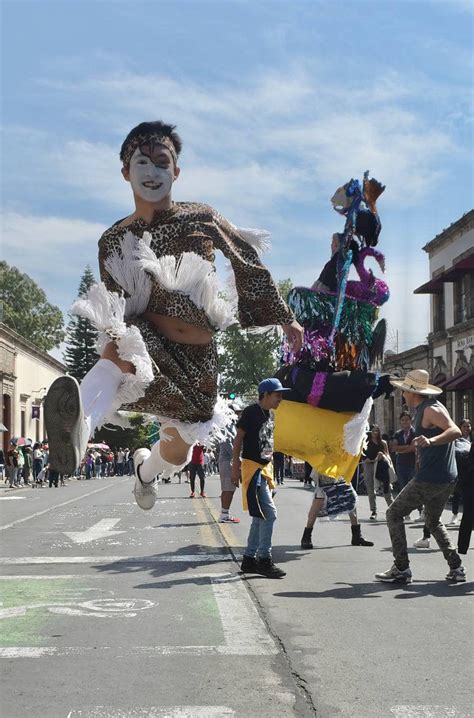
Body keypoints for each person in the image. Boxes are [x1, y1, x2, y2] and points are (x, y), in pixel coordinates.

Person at [44, 120, 302, 511]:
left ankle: (145, 472)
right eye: (141, 162)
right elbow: (115, 306)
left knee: (179, 454)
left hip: (198, 362)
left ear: (176, 172)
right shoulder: (114, 239)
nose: (152, 172)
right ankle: (80, 423)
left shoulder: (200, 216)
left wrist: (285, 317)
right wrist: (119, 336)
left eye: (162, 162)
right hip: (148, 342)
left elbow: (244, 258)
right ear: (125, 172)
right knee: (121, 344)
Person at [375, 369, 466, 583]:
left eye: (404, 391)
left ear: (413, 392)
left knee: (393, 514)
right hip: (444, 477)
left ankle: (401, 568)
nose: (402, 394)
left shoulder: (431, 409)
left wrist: (431, 442)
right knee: (433, 521)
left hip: (432, 478)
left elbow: (455, 431)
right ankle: (456, 567)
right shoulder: (423, 409)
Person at [232, 377, 291, 578]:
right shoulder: (250, 412)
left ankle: (249, 560)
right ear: (265, 395)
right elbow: (238, 439)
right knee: (270, 514)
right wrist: (234, 468)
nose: (280, 399)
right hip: (253, 470)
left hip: (265, 470)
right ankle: (264, 560)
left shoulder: (271, 414)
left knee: (260, 516)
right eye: (277, 395)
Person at [413, 417, 472, 549]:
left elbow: (423, 462)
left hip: (447, 477)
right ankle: (457, 546)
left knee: (432, 506)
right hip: (465, 479)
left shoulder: (439, 441)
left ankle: (426, 537)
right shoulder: (464, 442)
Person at [301, 470, 374, 548]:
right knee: (319, 500)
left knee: (350, 498)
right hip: (325, 470)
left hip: (341, 469)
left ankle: (357, 536)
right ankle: (306, 536)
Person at [362, 425, 393, 520]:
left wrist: (382, 454)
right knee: (370, 488)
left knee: (386, 487)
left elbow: (388, 455)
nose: (375, 433)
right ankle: (373, 511)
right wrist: (365, 459)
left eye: (377, 431)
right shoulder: (365, 443)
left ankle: (393, 508)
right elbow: (361, 454)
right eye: (373, 431)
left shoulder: (383, 443)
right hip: (369, 466)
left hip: (380, 466)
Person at [218, 413, 240, 523]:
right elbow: (228, 444)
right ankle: (224, 515)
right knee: (228, 488)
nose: (239, 414)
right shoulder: (227, 426)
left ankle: (225, 513)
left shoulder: (231, 426)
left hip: (228, 460)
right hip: (227, 461)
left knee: (229, 488)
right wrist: (237, 457)